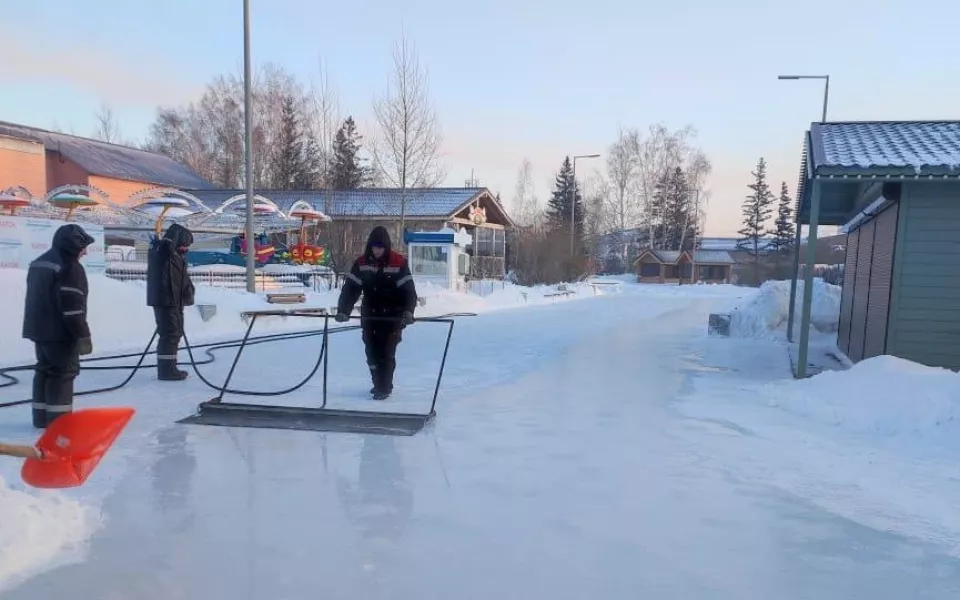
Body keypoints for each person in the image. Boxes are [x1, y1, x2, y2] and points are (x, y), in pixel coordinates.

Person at [22, 224, 95, 429]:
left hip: (38, 330)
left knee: (44, 370)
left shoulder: (39, 263)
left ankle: (41, 418)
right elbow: (72, 307)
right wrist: (82, 334)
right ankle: (59, 424)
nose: (85, 252)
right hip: (61, 332)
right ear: (73, 246)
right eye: (83, 247)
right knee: (63, 373)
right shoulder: (70, 267)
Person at [335, 226, 417, 400]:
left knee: (386, 353)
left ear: (386, 247)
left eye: (380, 247)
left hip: (393, 317)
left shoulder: (398, 263)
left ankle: (384, 388)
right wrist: (343, 310)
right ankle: (377, 384)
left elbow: (409, 291)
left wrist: (408, 311)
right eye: (374, 246)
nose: (377, 250)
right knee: (371, 353)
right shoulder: (362, 263)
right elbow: (351, 289)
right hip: (370, 316)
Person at [147, 223, 195, 381]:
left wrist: (188, 292)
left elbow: (181, 278)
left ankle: (169, 367)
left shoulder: (175, 256)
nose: (186, 249)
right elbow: (167, 247)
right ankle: (167, 370)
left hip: (173, 301)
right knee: (170, 334)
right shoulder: (163, 251)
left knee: (174, 333)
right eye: (184, 245)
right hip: (166, 301)